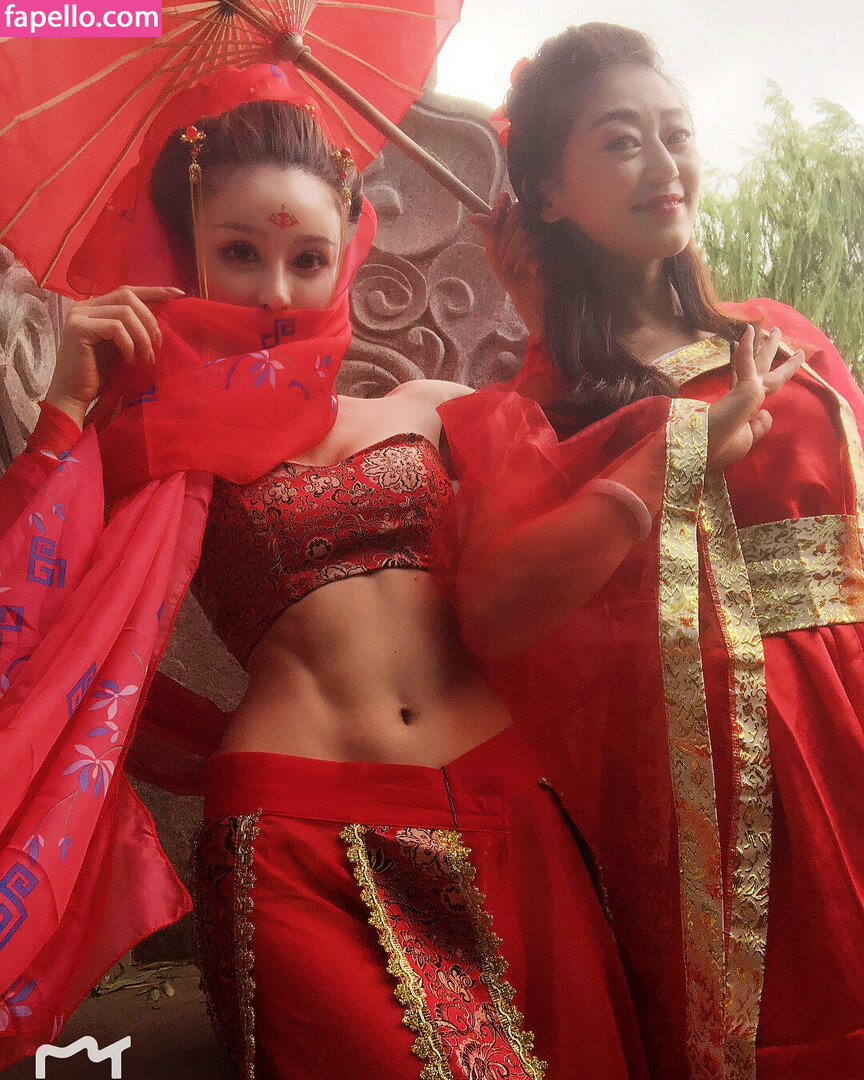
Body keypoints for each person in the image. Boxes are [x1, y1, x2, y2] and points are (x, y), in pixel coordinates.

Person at [0, 64, 657, 1080]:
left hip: (506, 808)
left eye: (307, 257)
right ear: (184, 256)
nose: (276, 290)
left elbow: (581, 497)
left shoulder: (434, 407)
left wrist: (541, 299)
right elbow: (29, 611)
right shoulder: (156, 450)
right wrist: (64, 414)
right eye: (239, 252)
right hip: (295, 842)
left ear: (347, 254)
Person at [444, 22, 864, 1080]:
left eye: (676, 133)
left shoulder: (779, 332)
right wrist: (673, 444)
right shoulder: (548, 407)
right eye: (622, 142)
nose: (665, 164)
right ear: (547, 194)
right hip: (720, 765)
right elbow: (505, 615)